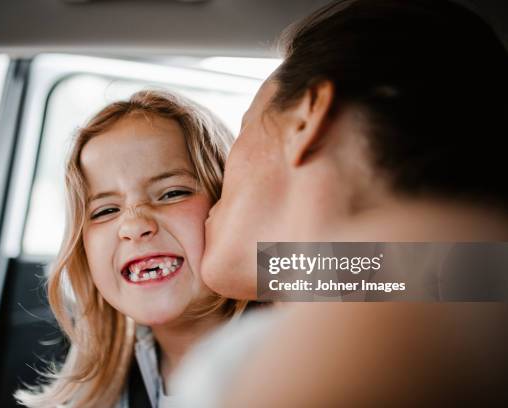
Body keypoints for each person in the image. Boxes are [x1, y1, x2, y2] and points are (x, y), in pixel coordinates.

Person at [177, 0, 508, 405]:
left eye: (246, 125)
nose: (220, 175)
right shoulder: (444, 280)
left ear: (306, 118)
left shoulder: (425, 304)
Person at [15, 90, 247, 408]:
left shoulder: (302, 329)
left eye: (172, 193)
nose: (134, 225)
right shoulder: (101, 388)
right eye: (105, 211)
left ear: (227, 204)